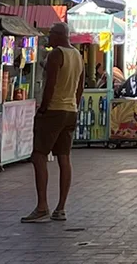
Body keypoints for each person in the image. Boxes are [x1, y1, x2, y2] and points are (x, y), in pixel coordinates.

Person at [22, 23, 84, 223]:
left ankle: (42, 206)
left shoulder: (56, 55)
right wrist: (74, 105)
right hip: (70, 110)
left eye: (50, 35)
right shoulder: (78, 56)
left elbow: (50, 85)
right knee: (64, 157)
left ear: (58, 36)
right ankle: (61, 208)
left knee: (39, 156)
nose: (48, 39)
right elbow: (80, 88)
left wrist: (43, 109)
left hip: (54, 110)